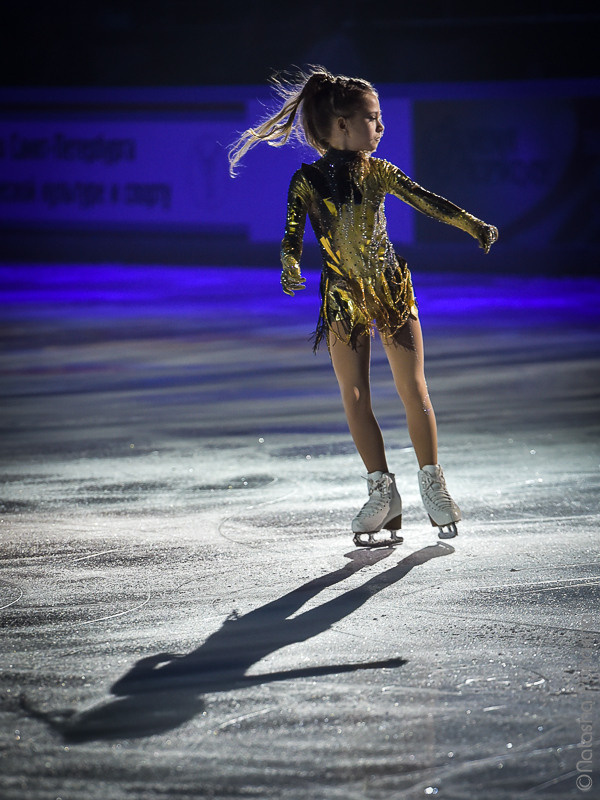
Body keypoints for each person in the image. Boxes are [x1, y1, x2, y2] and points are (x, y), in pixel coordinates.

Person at [229, 68, 498, 547]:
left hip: (390, 287)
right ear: (341, 125)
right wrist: (290, 262)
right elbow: (292, 234)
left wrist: (474, 225)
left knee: (412, 386)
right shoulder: (306, 180)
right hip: (342, 295)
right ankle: (382, 492)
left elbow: (427, 201)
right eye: (372, 119)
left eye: (380, 118)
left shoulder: (379, 170)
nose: (381, 127)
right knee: (354, 395)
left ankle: (433, 485)